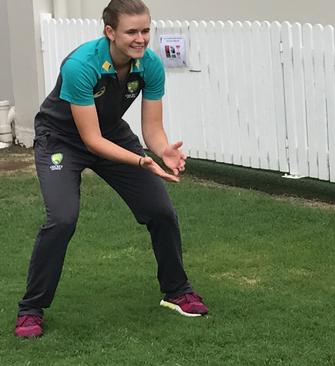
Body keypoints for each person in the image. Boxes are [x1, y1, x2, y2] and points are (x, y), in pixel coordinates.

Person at [15, 0, 208, 338]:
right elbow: (90, 140)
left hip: (111, 133)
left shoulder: (150, 65)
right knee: (62, 219)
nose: (141, 39)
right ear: (110, 32)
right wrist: (139, 160)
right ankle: (31, 309)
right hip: (61, 139)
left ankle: (177, 291)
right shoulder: (81, 65)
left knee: (161, 211)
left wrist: (163, 150)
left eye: (145, 30)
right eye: (131, 32)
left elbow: (152, 127)